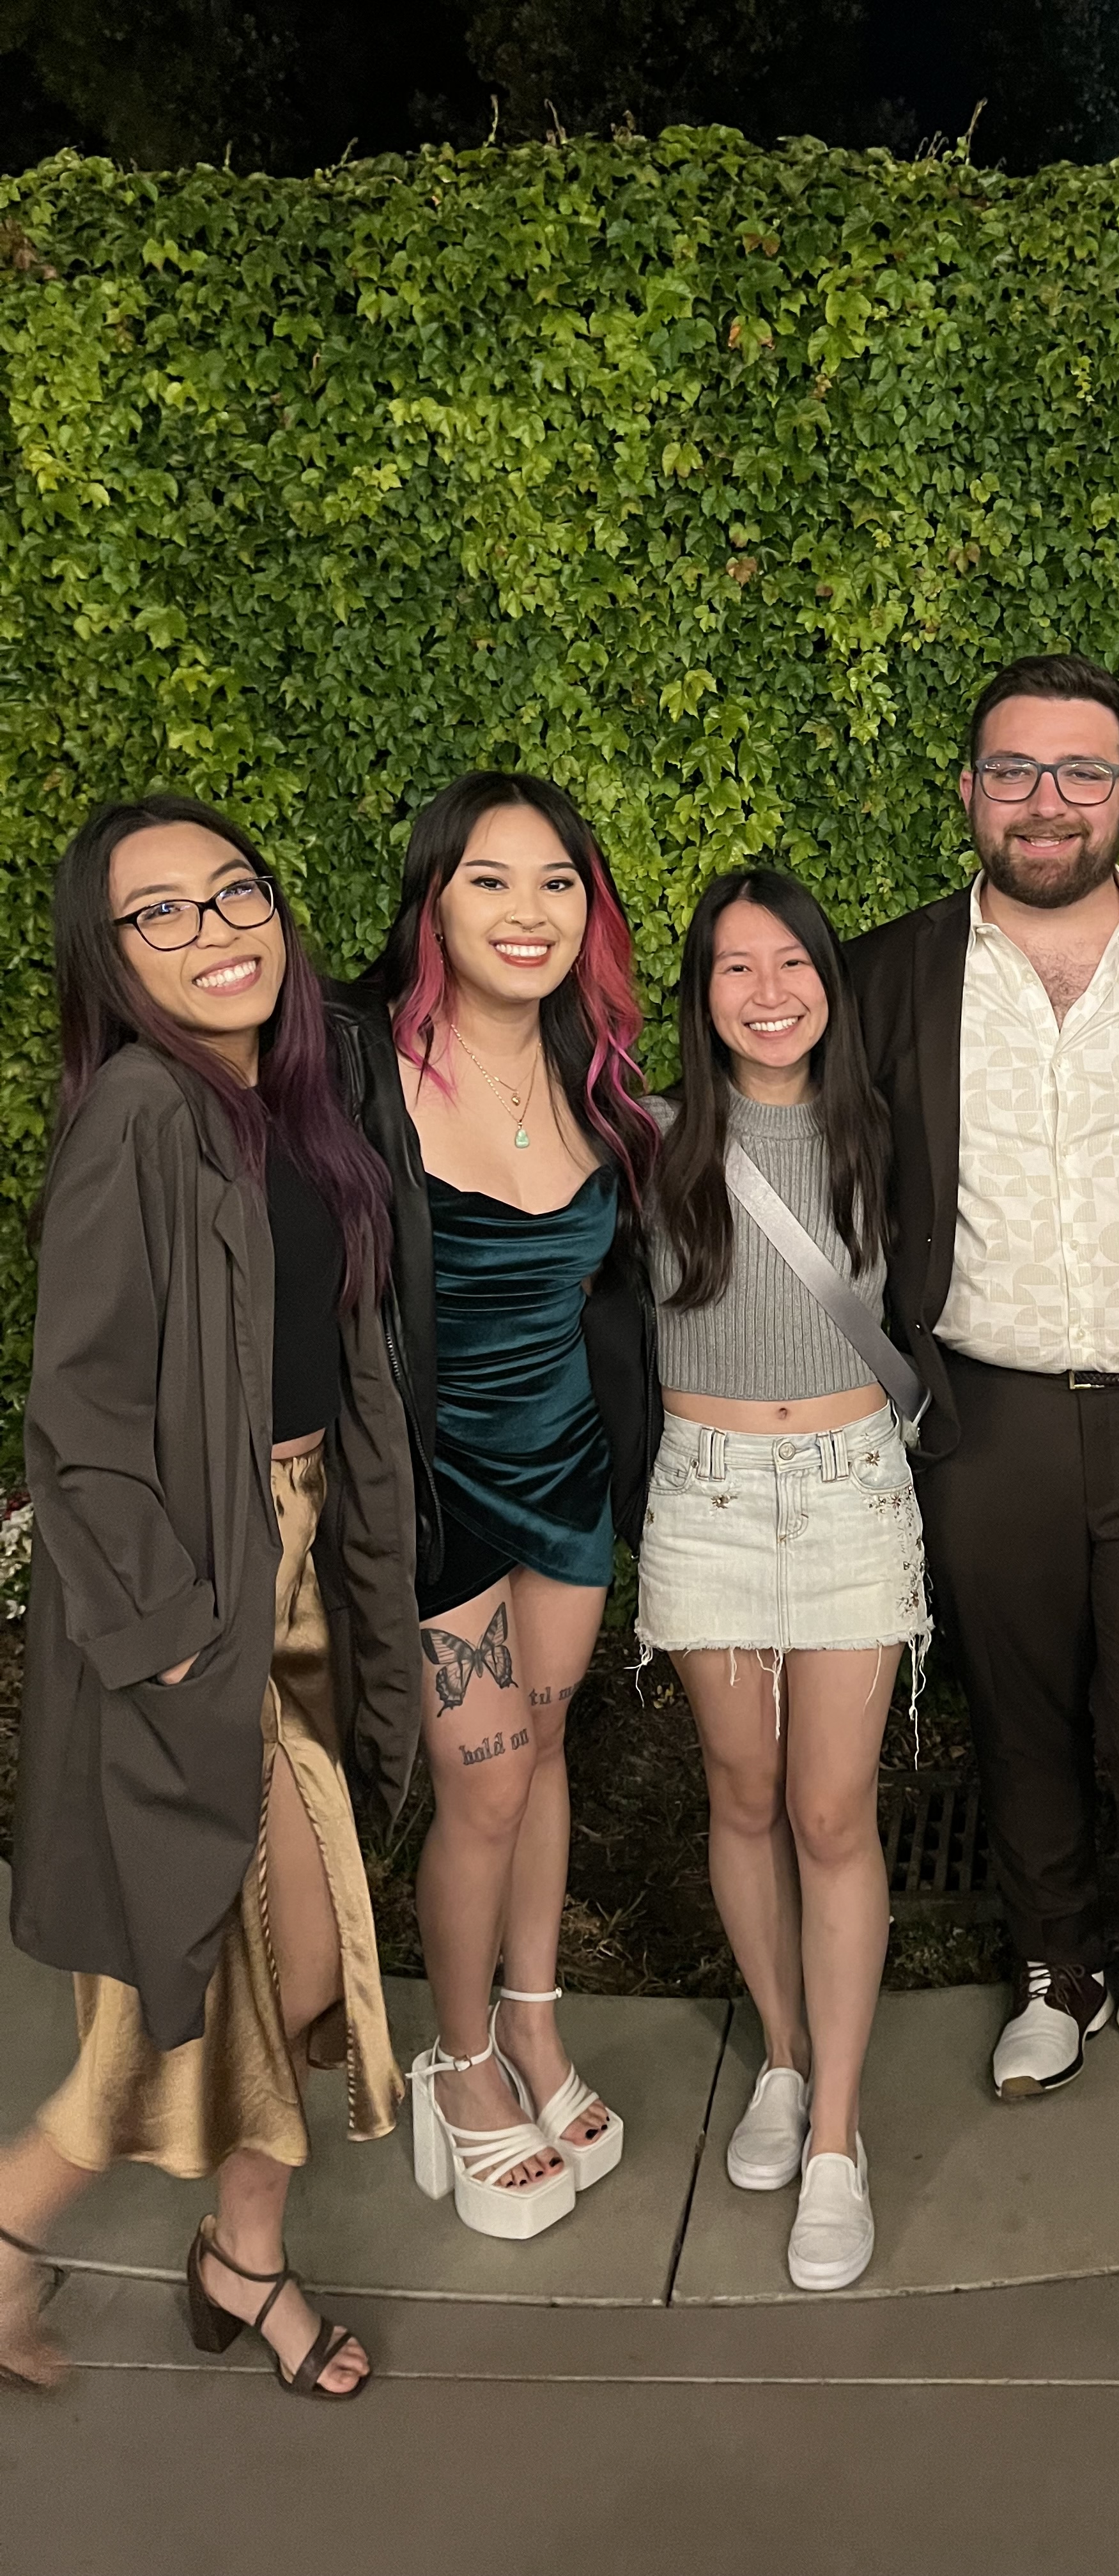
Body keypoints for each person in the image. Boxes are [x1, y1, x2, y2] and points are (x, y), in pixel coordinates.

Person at [0, 795, 418, 2398]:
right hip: (204, 1587)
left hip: (301, 1560)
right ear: (106, 962)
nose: (213, 930)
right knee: (249, 1955)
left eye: (231, 891)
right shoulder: (138, 1116)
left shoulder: (288, 1100)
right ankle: (23, 2222)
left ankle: (247, 2260)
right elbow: (81, 1421)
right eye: (157, 915)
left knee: (269, 1959)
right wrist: (176, 1641)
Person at [847, 654, 1119, 2127]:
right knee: (1020, 1718)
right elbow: (781, 1157)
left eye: (1082, 773)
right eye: (1016, 772)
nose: (1048, 802)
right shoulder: (882, 973)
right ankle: (1057, 1974)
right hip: (986, 1418)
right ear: (968, 792)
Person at [333, 773, 659, 2241]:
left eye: (556, 884)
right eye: (489, 880)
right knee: (479, 1777)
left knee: (542, 1751)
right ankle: (456, 2063)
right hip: (431, 1489)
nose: (527, 913)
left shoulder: (601, 1074)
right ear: (431, 903)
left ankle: (531, 2021)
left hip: (565, 1471)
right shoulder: (353, 1077)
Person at [637, 870, 928, 2292]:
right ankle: (785, 2057)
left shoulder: (887, 1133)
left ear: (832, 977)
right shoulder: (647, 1144)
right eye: (734, 969)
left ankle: (838, 2139)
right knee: (740, 1793)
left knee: (830, 1808)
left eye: (792, 963)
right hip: (699, 1496)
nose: (766, 992)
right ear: (699, 995)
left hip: (850, 1490)